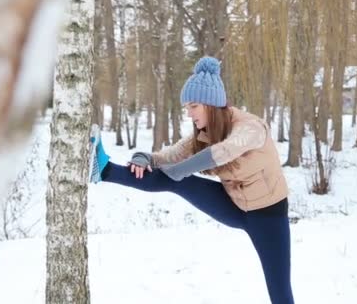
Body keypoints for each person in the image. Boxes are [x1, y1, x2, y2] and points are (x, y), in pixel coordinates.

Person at [89, 56, 295, 304]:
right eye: (187, 107)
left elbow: (226, 151)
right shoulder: (204, 135)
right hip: (234, 206)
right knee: (177, 180)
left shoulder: (250, 127)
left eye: (193, 106)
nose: (189, 113)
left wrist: (179, 170)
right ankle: (104, 170)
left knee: (279, 291)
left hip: (268, 217)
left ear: (210, 104)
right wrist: (143, 157)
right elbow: (170, 156)